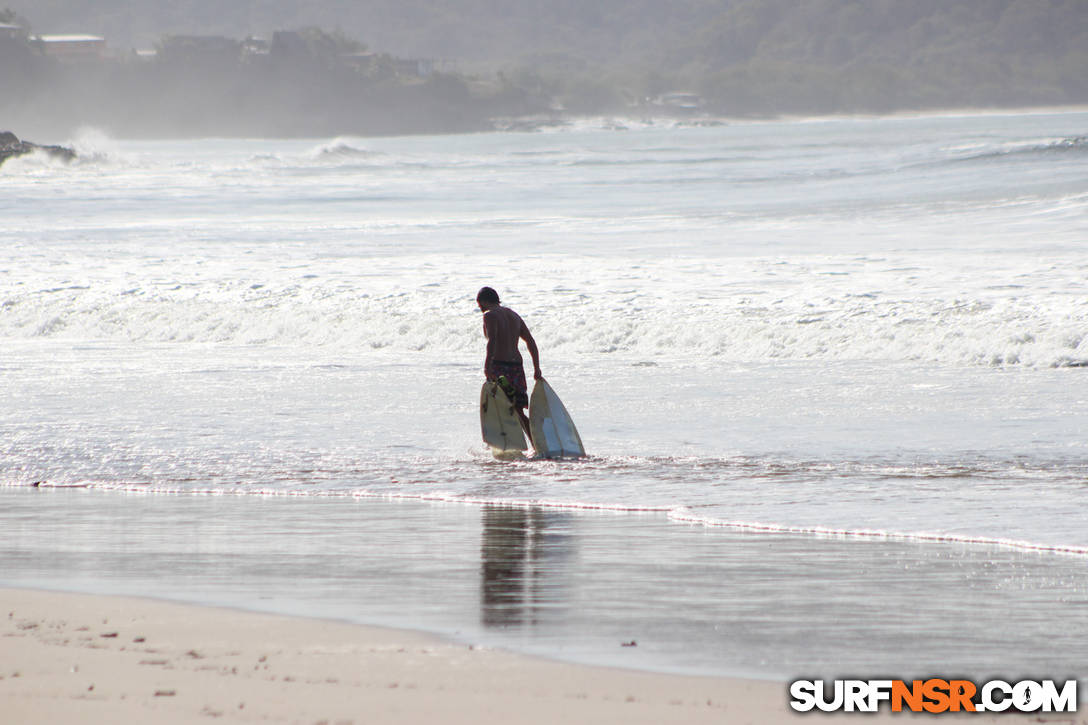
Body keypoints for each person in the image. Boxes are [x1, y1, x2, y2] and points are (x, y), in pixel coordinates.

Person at [477, 286, 541, 442]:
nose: (480, 309)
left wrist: (487, 366)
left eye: (479, 305)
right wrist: (536, 367)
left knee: (502, 407)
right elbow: (530, 341)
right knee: (516, 408)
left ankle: (534, 443)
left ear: (484, 301)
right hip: (517, 369)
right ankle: (536, 443)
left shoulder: (489, 315)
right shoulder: (514, 315)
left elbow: (492, 341)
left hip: (500, 370)